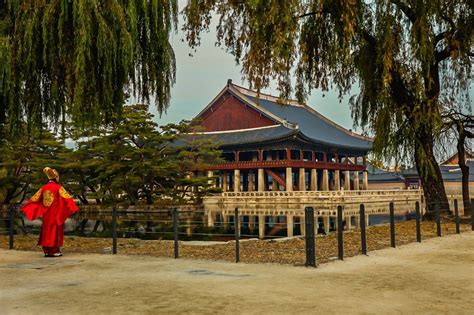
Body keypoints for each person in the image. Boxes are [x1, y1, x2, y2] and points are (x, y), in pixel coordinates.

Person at [21, 167, 78, 257]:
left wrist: (27, 207)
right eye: (58, 177)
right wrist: (73, 207)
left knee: (47, 232)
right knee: (55, 232)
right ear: (55, 177)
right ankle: (54, 251)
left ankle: (47, 251)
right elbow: (67, 199)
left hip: (46, 215)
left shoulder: (43, 188)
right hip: (56, 214)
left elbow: (34, 199)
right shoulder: (59, 188)